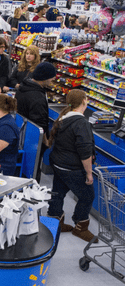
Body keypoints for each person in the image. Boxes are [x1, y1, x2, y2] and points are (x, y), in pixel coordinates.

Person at [47, 89, 96, 241]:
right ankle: (80, 227)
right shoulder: (81, 123)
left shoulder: (63, 119)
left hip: (58, 163)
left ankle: (55, 221)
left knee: (58, 192)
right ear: (84, 102)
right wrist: (88, 173)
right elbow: (85, 151)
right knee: (87, 196)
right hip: (72, 167)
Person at [15, 62, 56, 136]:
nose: (53, 79)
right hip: (32, 138)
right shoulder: (37, 98)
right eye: (51, 77)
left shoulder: (23, 87)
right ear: (44, 77)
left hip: (21, 130)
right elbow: (39, 124)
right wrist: (45, 141)